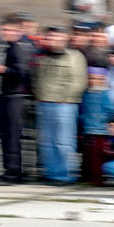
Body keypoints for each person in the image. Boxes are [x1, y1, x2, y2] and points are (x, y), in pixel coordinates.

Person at [0, 14, 35, 182]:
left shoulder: (20, 47)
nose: (6, 32)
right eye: (4, 29)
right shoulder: (4, 46)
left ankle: (14, 172)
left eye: (10, 30)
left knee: (12, 135)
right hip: (4, 96)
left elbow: (22, 73)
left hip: (15, 97)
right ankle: (9, 169)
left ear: (18, 30)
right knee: (5, 135)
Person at [32, 25, 88, 184]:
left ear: (65, 38)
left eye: (56, 36)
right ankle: (51, 173)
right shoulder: (42, 56)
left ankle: (66, 174)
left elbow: (78, 81)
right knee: (47, 142)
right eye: (50, 36)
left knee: (64, 142)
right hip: (44, 104)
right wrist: (39, 97)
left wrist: (64, 99)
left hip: (64, 105)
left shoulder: (75, 56)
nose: (52, 39)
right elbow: (36, 79)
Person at [80, 67, 114, 186]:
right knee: (87, 154)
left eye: (98, 79)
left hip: (100, 130)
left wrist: (105, 121)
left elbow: (109, 110)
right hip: (87, 128)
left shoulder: (105, 94)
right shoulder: (86, 93)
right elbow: (83, 109)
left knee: (97, 156)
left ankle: (97, 179)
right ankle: (87, 177)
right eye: (92, 78)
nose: (94, 81)